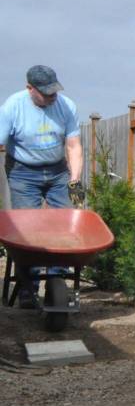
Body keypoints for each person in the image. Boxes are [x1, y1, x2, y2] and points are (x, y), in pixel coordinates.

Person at [0, 65, 85, 308]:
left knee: (65, 224)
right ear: (30, 89)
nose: (52, 96)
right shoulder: (12, 108)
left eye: (54, 91)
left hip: (58, 171)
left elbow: (73, 145)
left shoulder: (66, 106)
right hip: (23, 173)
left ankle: (56, 279)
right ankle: (29, 286)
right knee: (27, 230)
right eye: (46, 93)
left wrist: (74, 179)